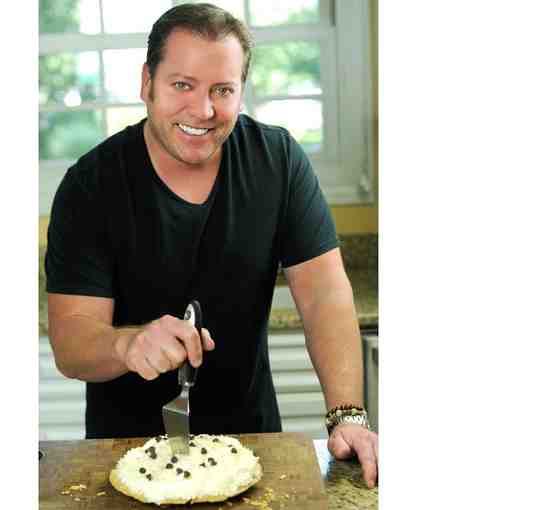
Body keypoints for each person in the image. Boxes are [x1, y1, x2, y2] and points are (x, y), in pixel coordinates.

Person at [45, 3, 378, 487]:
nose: (203, 111)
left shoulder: (278, 160)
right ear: (147, 83)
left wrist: (347, 414)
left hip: (256, 447)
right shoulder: (90, 186)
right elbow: (71, 342)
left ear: (241, 90)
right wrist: (127, 343)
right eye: (182, 85)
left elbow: (324, 295)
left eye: (222, 90)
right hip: (124, 458)